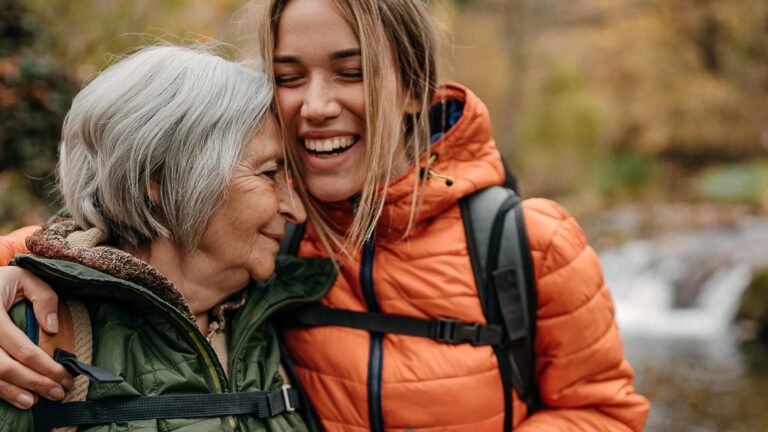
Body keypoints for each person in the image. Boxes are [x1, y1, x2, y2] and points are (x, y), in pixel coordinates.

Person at [0, 0, 650, 430]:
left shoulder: (526, 240)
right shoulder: (270, 230)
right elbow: (101, 247)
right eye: (288, 75)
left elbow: (604, 413)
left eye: (351, 71)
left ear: (413, 86)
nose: (314, 106)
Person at [0, 45, 333, 431]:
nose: (297, 210)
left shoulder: (282, 326)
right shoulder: (31, 337)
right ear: (160, 180)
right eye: (269, 173)